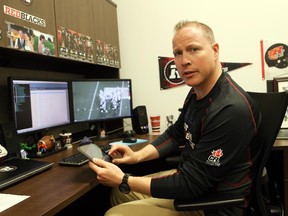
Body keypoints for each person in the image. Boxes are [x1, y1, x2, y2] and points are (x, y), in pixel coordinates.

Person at [89, 20, 262, 216]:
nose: (184, 60)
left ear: (215, 51)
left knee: (115, 212)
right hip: (193, 187)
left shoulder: (230, 109)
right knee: (119, 194)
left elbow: (191, 184)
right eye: (178, 53)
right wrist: (137, 156)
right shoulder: (198, 92)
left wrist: (125, 180)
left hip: (213, 205)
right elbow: (175, 134)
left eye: (193, 49)